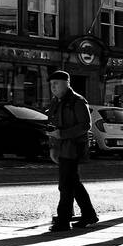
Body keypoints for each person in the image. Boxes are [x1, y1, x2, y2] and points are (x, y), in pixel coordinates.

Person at [46, 69, 97, 233]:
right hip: (61, 148)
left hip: (73, 148)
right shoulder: (55, 101)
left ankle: (63, 220)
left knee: (65, 185)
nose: (53, 87)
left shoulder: (78, 101)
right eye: (51, 84)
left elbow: (85, 126)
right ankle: (89, 214)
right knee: (73, 183)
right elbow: (52, 125)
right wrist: (53, 147)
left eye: (56, 84)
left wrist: (62, 134)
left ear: (67, 84)